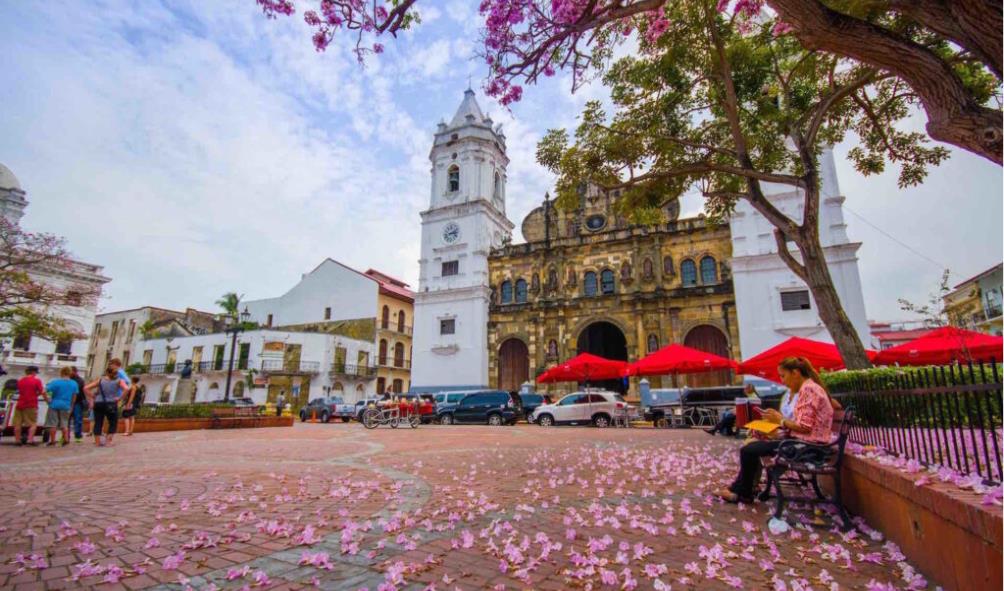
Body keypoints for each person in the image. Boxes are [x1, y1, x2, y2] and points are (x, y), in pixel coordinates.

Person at [716, 357, 834, 504]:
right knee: (751, 447)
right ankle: (739, 489)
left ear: (795, 373)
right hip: (804, 443)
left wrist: (780, 420)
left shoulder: (809, 389)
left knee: (749, 450)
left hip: (807, 447)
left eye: (783, 376)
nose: (782, 381)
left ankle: (743, 493)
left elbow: (804, 427)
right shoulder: (809, 388)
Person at [85, 366, 130, 447]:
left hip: (99, 403)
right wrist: (119, 398)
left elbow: (86, 388)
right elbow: (126, 389)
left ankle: (97, 442)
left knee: (98, 422)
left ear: (106, 372)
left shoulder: (100, 380)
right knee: (113, 422)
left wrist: (92, 396)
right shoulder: (119, 380)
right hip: (111, 403)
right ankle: (108, 441)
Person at [43, 367, 78, 447]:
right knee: (64, 423)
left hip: (54, 403)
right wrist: (71, 406)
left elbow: (44, 391)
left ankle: (52, 441)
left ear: (61, 372)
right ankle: (66, 440)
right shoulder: (74, 383)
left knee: (53, 424)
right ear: (70, 373)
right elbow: (74, 396)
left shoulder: (55, 382)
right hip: (66, 404)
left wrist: (47, 400)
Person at [12, 366, 45, 446]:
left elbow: (20, 391)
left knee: (18, 423)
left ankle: (17, 440)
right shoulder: (36, 381)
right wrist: (36, 395)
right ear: (33, 372)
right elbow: (41, 391)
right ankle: (30, 440)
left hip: (20, 403)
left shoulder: (20, 381)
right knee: (32, 423)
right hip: (31, 403)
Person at [69, 367, 87, 442]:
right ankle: (66, 435)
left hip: (78, 402)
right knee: (68, 419)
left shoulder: (79, 381)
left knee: (77, 419)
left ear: (75, 372)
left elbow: (79, 392)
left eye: (71, 371)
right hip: (69, 402)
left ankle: (78, 435)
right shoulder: (70, 379)